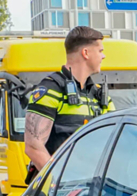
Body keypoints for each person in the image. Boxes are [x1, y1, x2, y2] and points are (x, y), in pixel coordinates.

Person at [24, 26, 115, 177]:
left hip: (94, 188)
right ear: (86, 53)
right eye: (100, 51)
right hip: (59, 192)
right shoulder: (50, 90)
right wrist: (59, 184)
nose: (103, 56)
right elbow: (33, 147)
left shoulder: (99, 95)